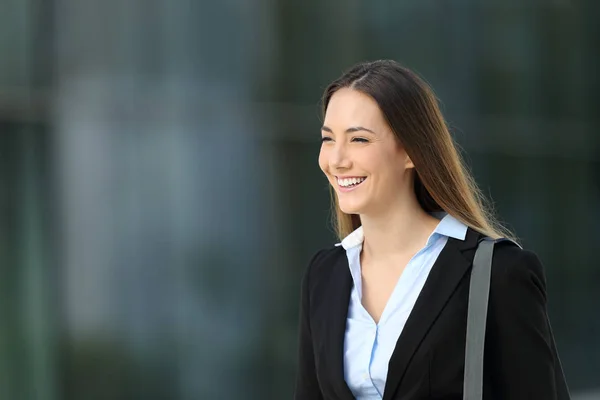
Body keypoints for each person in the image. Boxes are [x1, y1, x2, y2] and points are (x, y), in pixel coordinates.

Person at [293, 60, 568, 400]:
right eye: (328, 139)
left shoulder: (498, 273)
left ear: (411, 151)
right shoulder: (324, 274)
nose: (336, 160)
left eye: (359, 139)